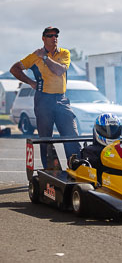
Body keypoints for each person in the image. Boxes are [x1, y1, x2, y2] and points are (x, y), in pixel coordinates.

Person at [10, 26, 81, 168]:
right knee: (46, 138)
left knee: (71, 134)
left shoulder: (64, 53)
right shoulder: (34, 56)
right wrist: (31, 82)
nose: (54, 38)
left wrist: (44, 57)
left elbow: (59, 70)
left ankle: (77, 167)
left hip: (61, 99)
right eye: (50, 35)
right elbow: (14, 69)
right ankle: (52, 171)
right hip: (43, 100)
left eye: (56, 35)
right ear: (43, 38)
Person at [80, 113, 122, 183]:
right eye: (106, 130)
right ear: (97, 130)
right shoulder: (91, 151)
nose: (111, 133)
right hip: (104, 182)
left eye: (114, 130)